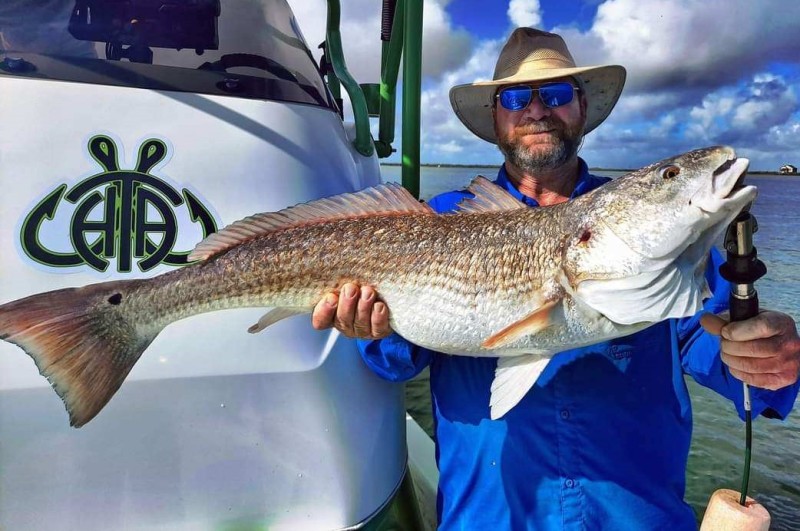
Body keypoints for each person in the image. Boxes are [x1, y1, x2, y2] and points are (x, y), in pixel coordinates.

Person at [312, 28, 800, 529]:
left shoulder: (673, 246)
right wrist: (372, 328)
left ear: (582, 108)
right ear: (496, 116)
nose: (538, 109)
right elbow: (396, 362)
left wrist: (772, 359)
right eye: (518, 97)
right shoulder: (438, 223)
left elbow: (722, 350)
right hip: (489, 517)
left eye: (559, 94)